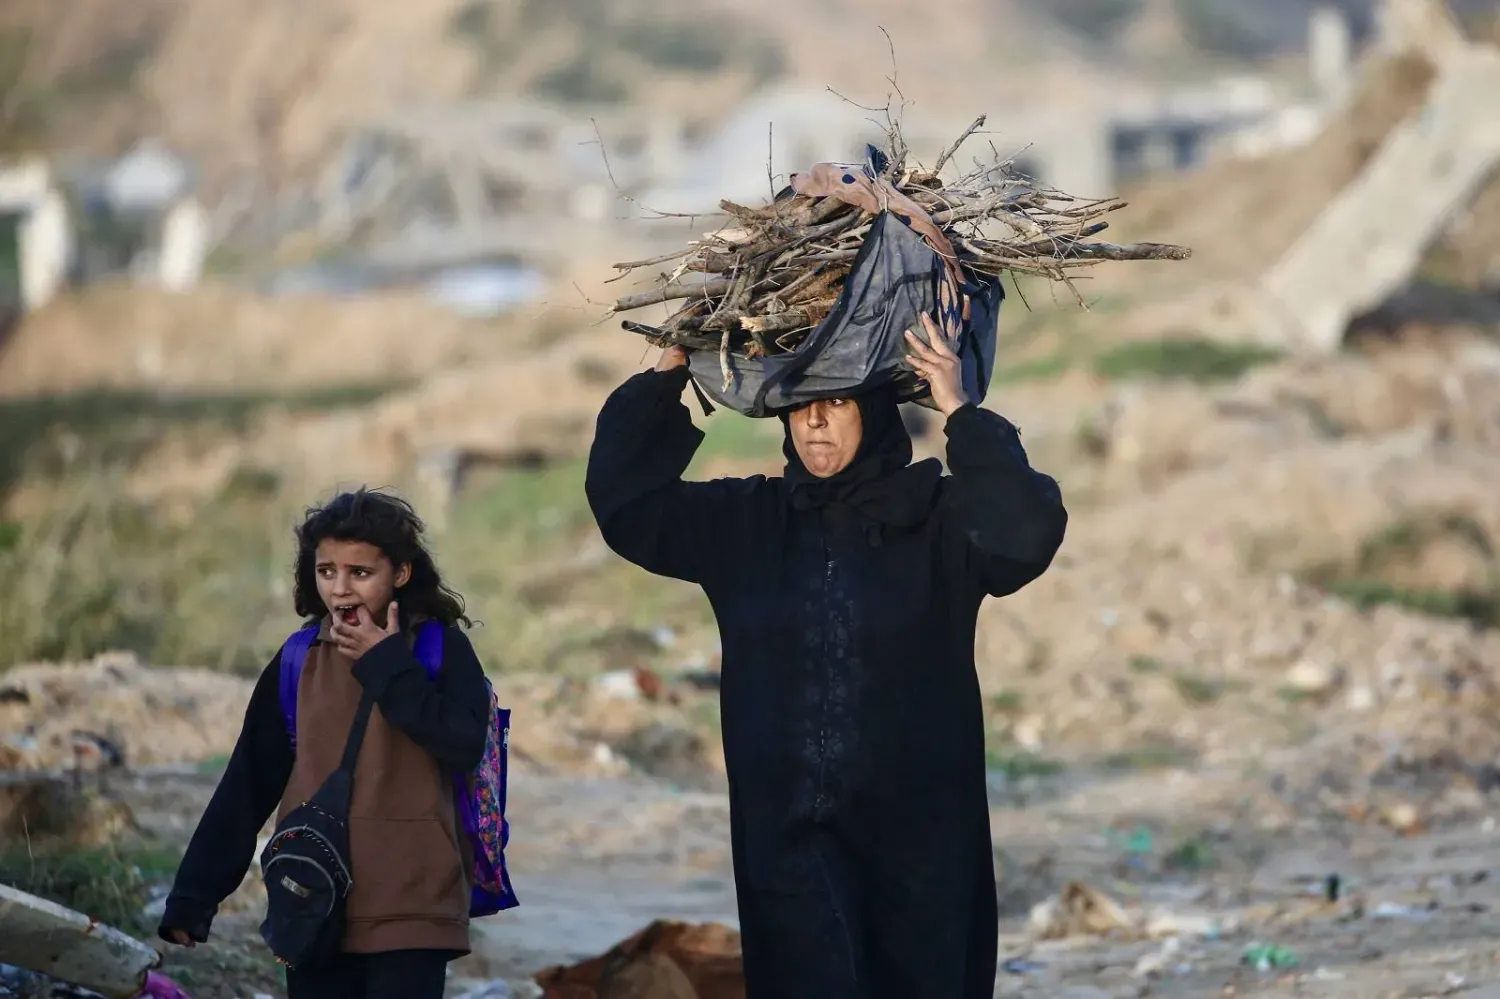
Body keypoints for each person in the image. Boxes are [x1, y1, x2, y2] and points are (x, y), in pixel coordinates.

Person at [585, 314, 1068, 999]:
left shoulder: (938, 519)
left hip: (919, 838)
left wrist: (960, 408)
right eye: (800, 404)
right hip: (789, 835)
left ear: (873, 408)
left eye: (836, 401)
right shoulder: (747, 522)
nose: (814, 424)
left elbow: (1028, 532)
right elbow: (625, 504)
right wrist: (669, 368)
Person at [157, 488, 493, 999]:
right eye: (326, 571)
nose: (340, 590)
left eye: (360, 573)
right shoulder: (299, 659)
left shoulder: (439, 650)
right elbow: (250, 780)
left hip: (414, 908)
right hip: (312, 900)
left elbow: (463, 743)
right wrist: (194, 895)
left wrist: (386, 665)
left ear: (399, 574)